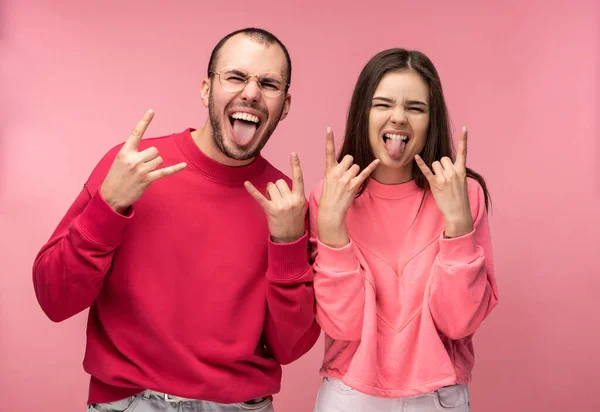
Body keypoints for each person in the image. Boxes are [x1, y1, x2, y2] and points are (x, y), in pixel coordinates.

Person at [32, 27, 321, 412]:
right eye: (235, 77)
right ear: (205, 90)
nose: (251, 92)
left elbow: (290, 347)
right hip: (132, 402)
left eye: (268, 83)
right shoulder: (133, 167)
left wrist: (287, 246)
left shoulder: (285, 202)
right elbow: (54, 299)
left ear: (285, 105)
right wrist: (108, 205)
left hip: (240, 405)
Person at [309, 48, 499, 411]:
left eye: (415, 108)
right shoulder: (330, 196)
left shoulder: (464, 193)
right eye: (383, 105)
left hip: (439, 395)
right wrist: (332, 228)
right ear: (363, 113)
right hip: (350, 394)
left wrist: (457, 224)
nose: (398, 118)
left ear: (432, 119)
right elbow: (343, 326)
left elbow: (458, 322)